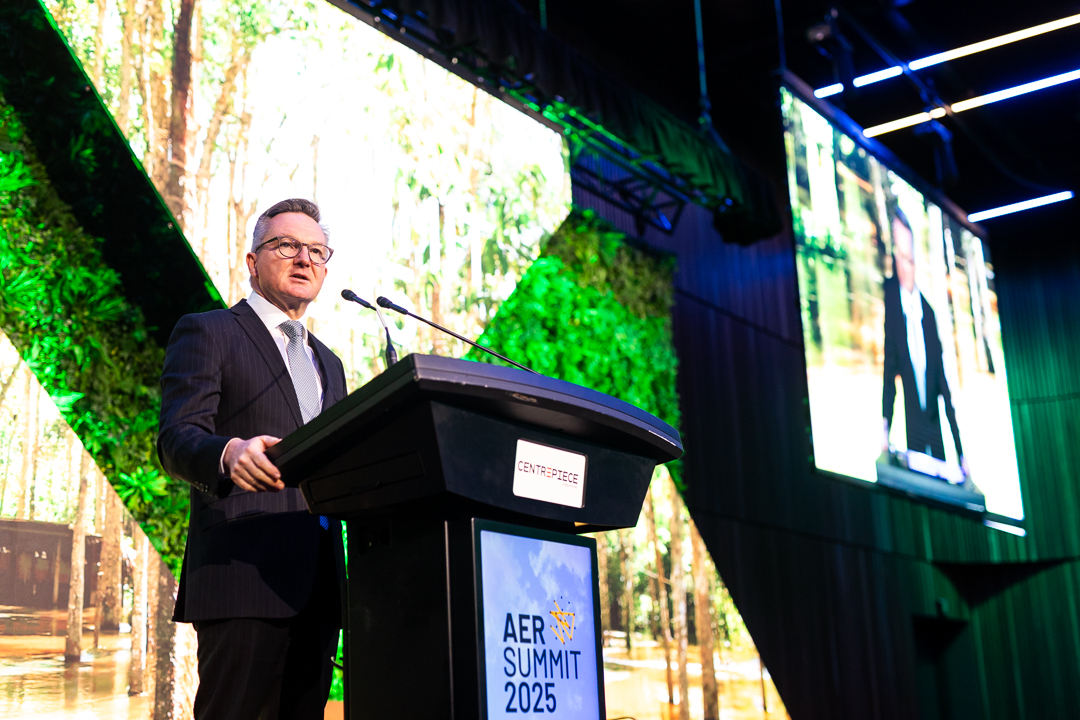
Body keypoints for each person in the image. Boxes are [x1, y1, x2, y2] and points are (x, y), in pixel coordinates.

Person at [158, 198, 348, 719]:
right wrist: (227, 452)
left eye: (316, 250)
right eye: (286, 245)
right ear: (252, 261)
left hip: (319, 587)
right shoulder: (209, 330)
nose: (304, 259)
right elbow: (175, 437)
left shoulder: (328, 363)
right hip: (242, 576)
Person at [881, 206, 966, 472]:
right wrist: (884, 428)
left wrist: (962, 453)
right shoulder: (892, 303)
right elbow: (889, 374)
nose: (902, 266)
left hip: (937, 446)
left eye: (908, 258)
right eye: (898, 256)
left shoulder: (928, 313)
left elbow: (942, 386)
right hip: (911, 442)